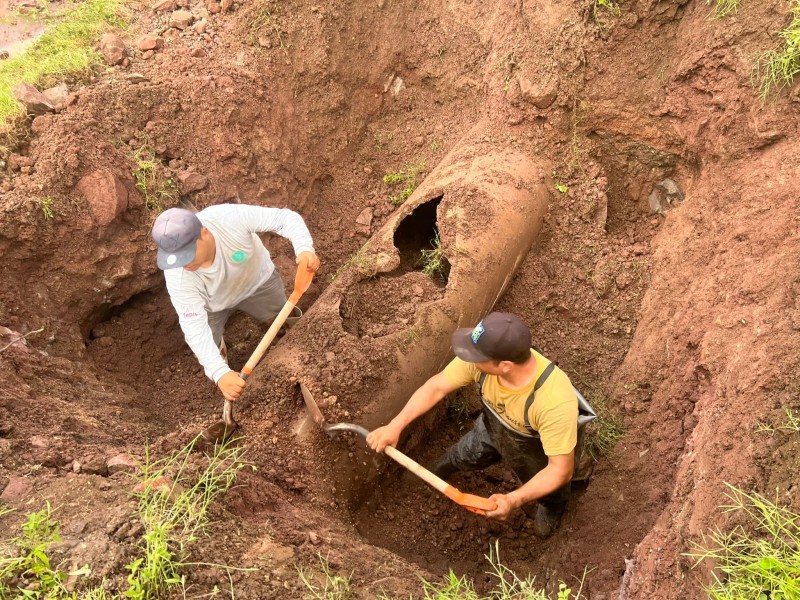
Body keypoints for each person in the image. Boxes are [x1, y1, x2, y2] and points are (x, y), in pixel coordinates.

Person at [366, 312, 580, 538]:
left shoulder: (553, 402)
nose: (469, 359)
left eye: (476, 356)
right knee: (464, 453)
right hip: (492, 427)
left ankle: (550, 507)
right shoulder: (482, 361)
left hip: (536, 452)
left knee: (549, 489)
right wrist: (395, 425)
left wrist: (512, 499)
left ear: (505, 365)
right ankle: (441, 469)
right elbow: (437, 387)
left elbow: (559, 470)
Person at [151, 204, 320, 402]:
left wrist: (304, 249)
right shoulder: (178, 274)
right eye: (177, 258)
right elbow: (193, 326)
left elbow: (284, 218)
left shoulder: (227, 218)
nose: (184, 263)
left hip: (258, 282)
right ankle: (225, 370)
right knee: (208, 346)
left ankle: (300, 345)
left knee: (282, 316)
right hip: (213, 305)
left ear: (204, 233)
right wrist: (218, 372)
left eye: (187, 254)